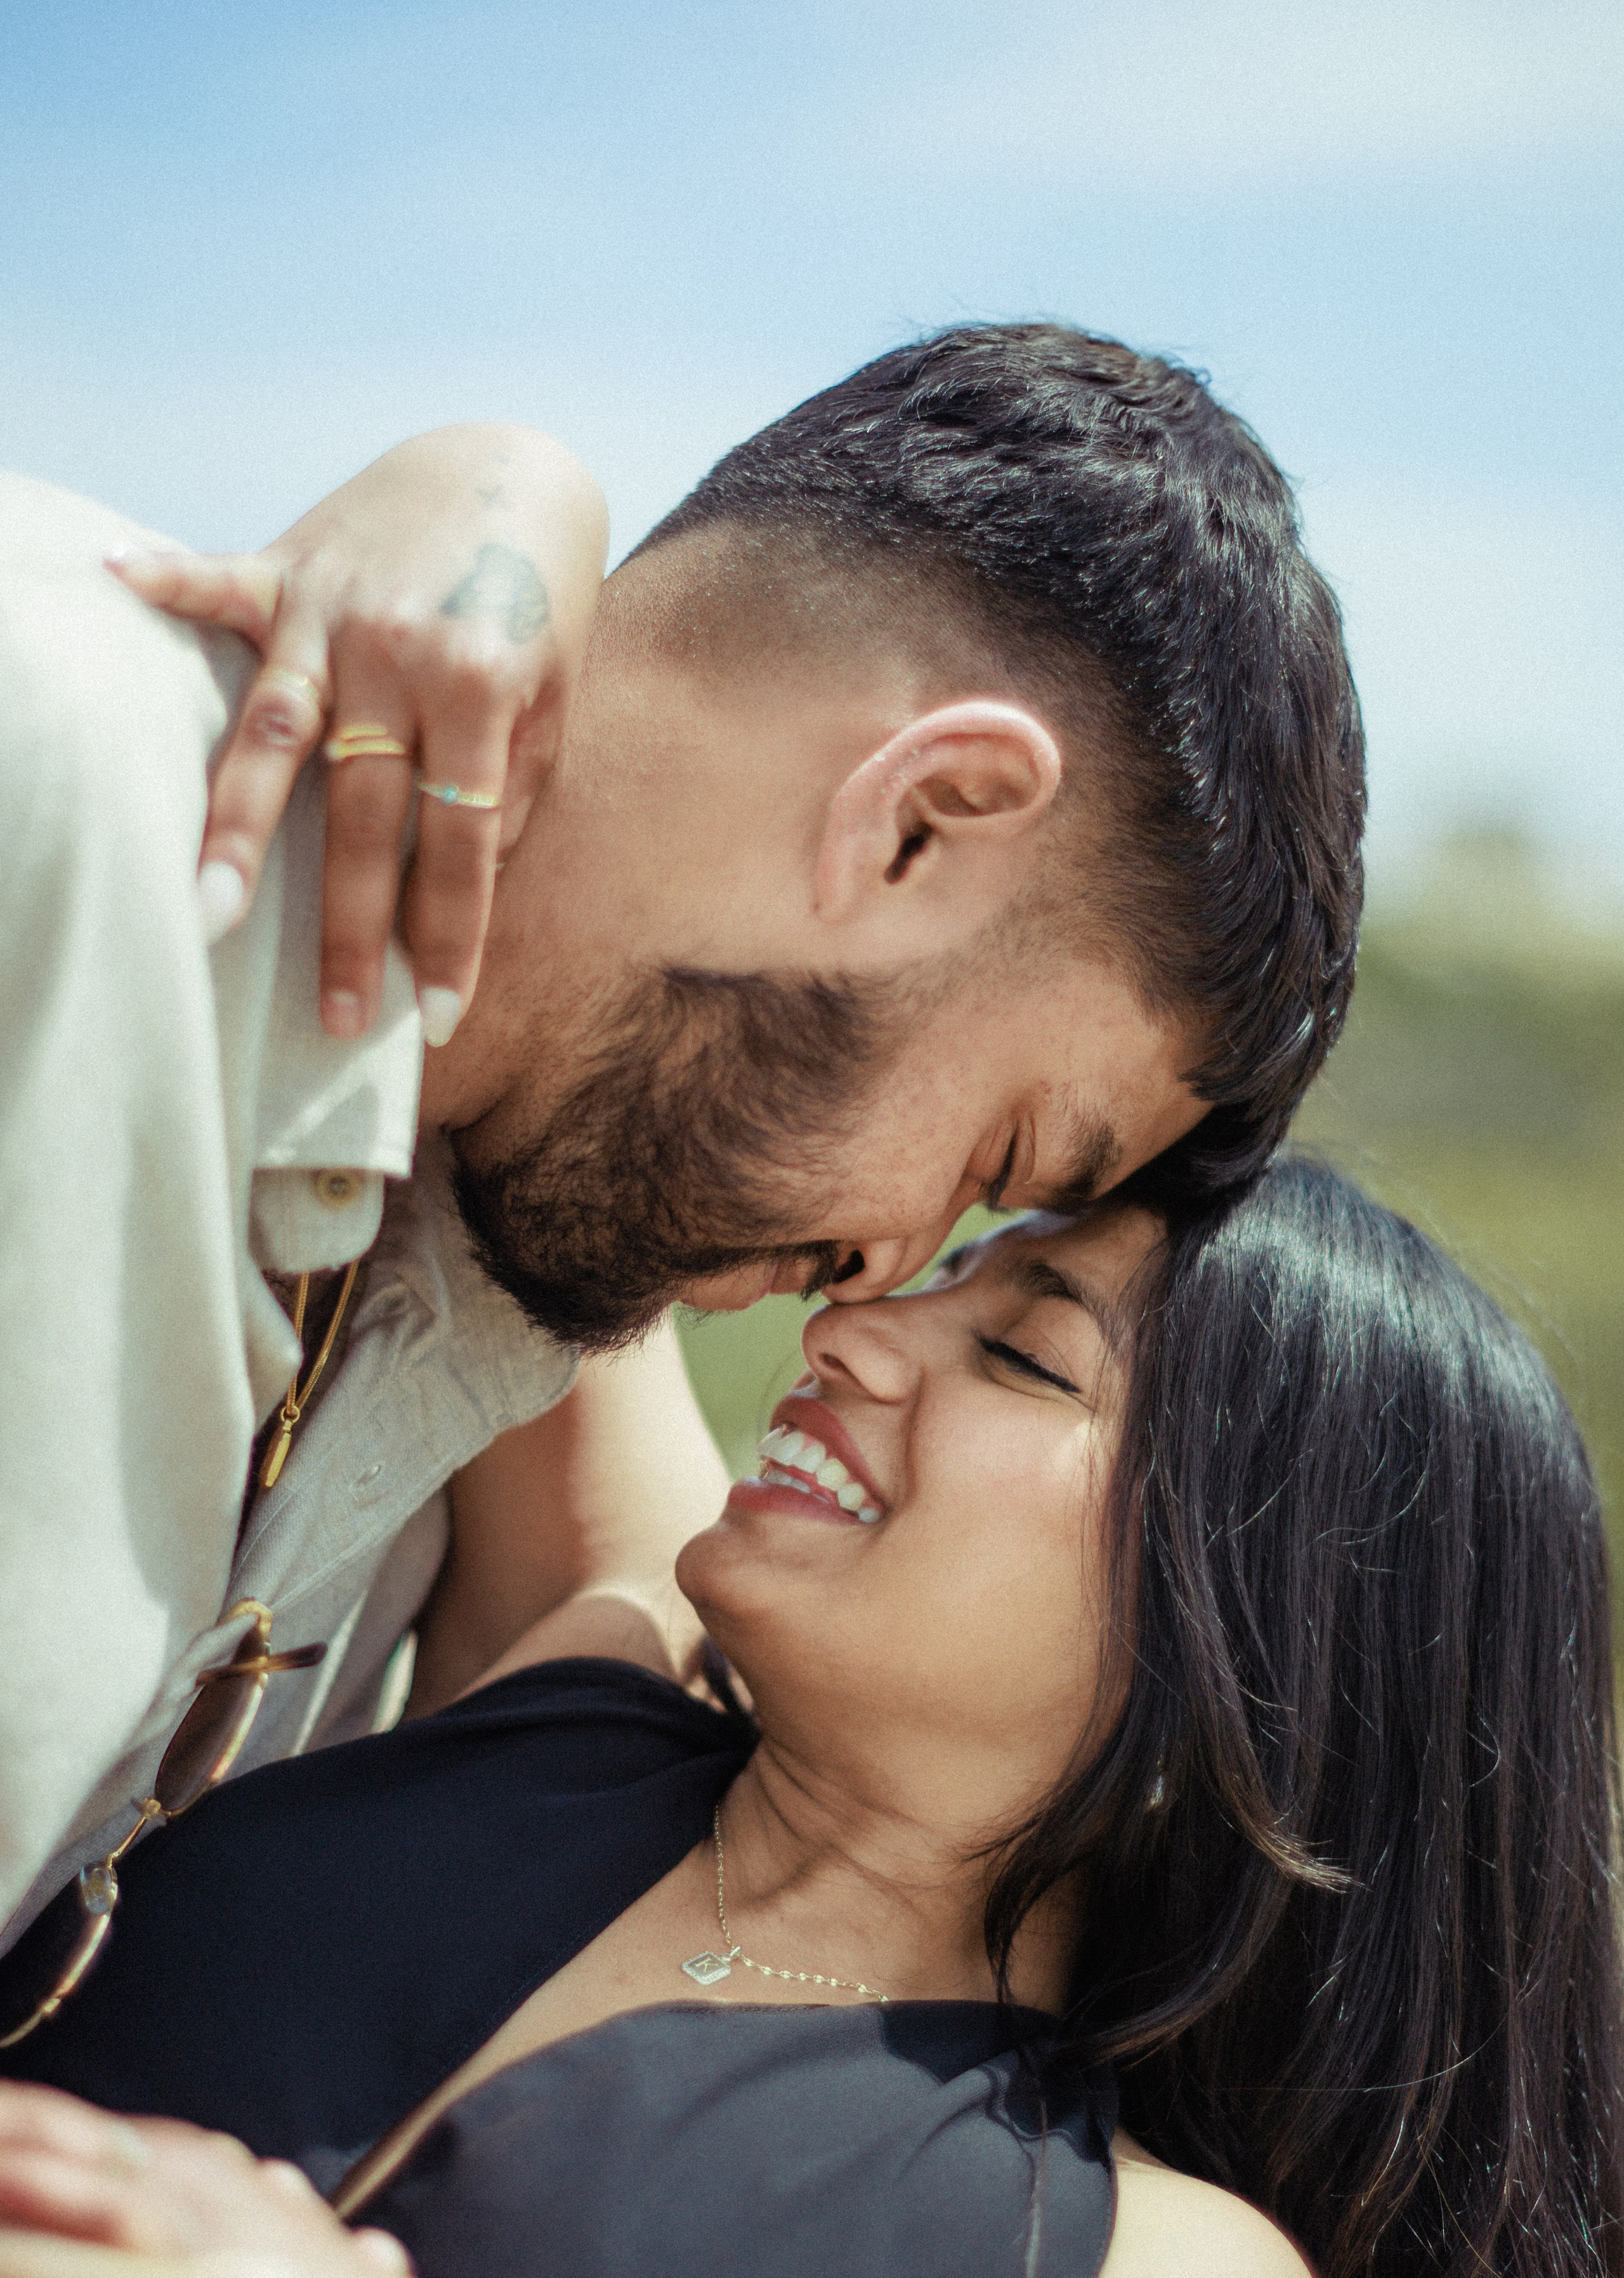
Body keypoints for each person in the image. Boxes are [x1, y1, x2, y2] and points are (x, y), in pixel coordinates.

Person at [0, 323, 1365, 1949]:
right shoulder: (55, 784)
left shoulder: (501, 1258)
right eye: (1000, 1158)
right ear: (919, 822)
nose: (881, 1279)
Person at [1, 1156, 1619, 2278]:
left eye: (1020, 1353)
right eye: (947, 1272)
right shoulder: (606, 1644)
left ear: (1259, 1643)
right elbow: (578, 1096)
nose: (852, 1329)